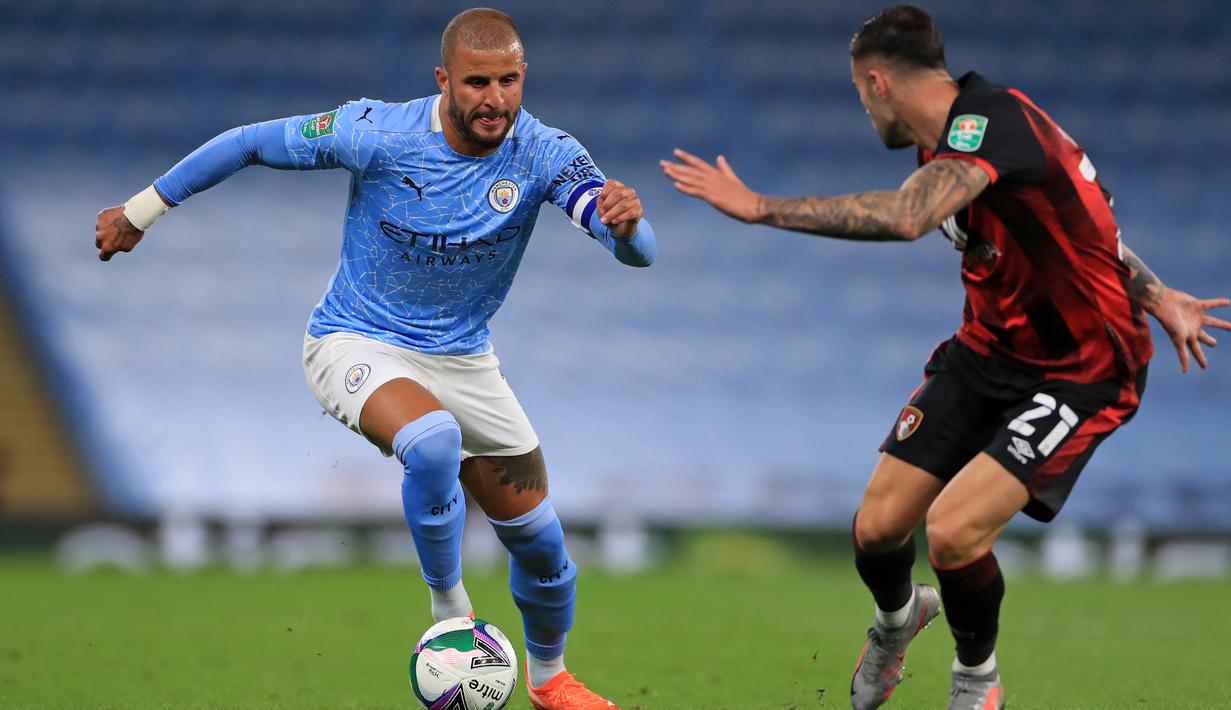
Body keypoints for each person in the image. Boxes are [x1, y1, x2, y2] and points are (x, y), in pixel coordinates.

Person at [660, 5, 1229, 709]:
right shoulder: (955, 144)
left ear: (877, 84)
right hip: (986, 351)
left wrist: (758, 208)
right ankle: (899, 621)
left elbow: (907, 218)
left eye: (858, 96)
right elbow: (1087, 222)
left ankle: (976, 677)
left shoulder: (992, 124)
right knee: (875, 530)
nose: (863, 112)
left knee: (954, 533)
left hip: (1079, 371)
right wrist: (1158, 291)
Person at [95, 8, 653, 709]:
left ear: (523, 77)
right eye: (478, 82)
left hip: (464, 359)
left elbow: (634, 248)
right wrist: (140, 210)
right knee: (431, 442)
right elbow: (246, 143)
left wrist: (626, 228)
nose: (495, 99)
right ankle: (451, 615)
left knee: (544, 552)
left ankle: (550, 681)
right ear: (444, 79)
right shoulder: (378, 132)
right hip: (354, 340)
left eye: (509, 81)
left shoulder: (543, 152)